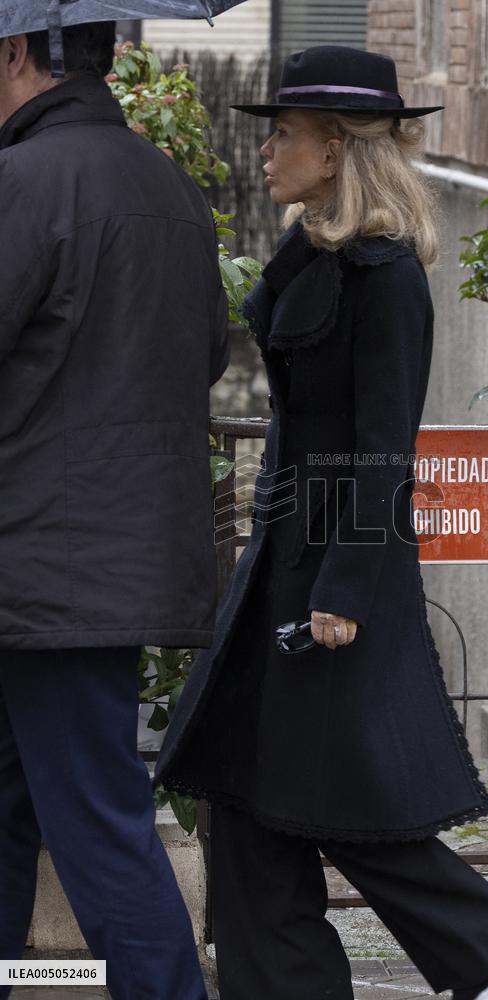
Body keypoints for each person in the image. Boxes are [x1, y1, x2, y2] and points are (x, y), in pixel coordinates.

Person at [155, 45, 488, 1000]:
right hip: (282, 567)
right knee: (247, 799)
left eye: (284, 134)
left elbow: (383, 452)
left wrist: (342, 590)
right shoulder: (318, 254)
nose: (269, 150)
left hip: (332, 587)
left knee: (349, 809)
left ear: (334, 152)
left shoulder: (384, 279)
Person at [0, 21, 228, 1000]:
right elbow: (207, 356)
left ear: (19, 52)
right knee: (23, 807)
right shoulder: (168, 188)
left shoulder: (26, 183)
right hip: (102, 563)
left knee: (93, 821)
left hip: (39, 563)